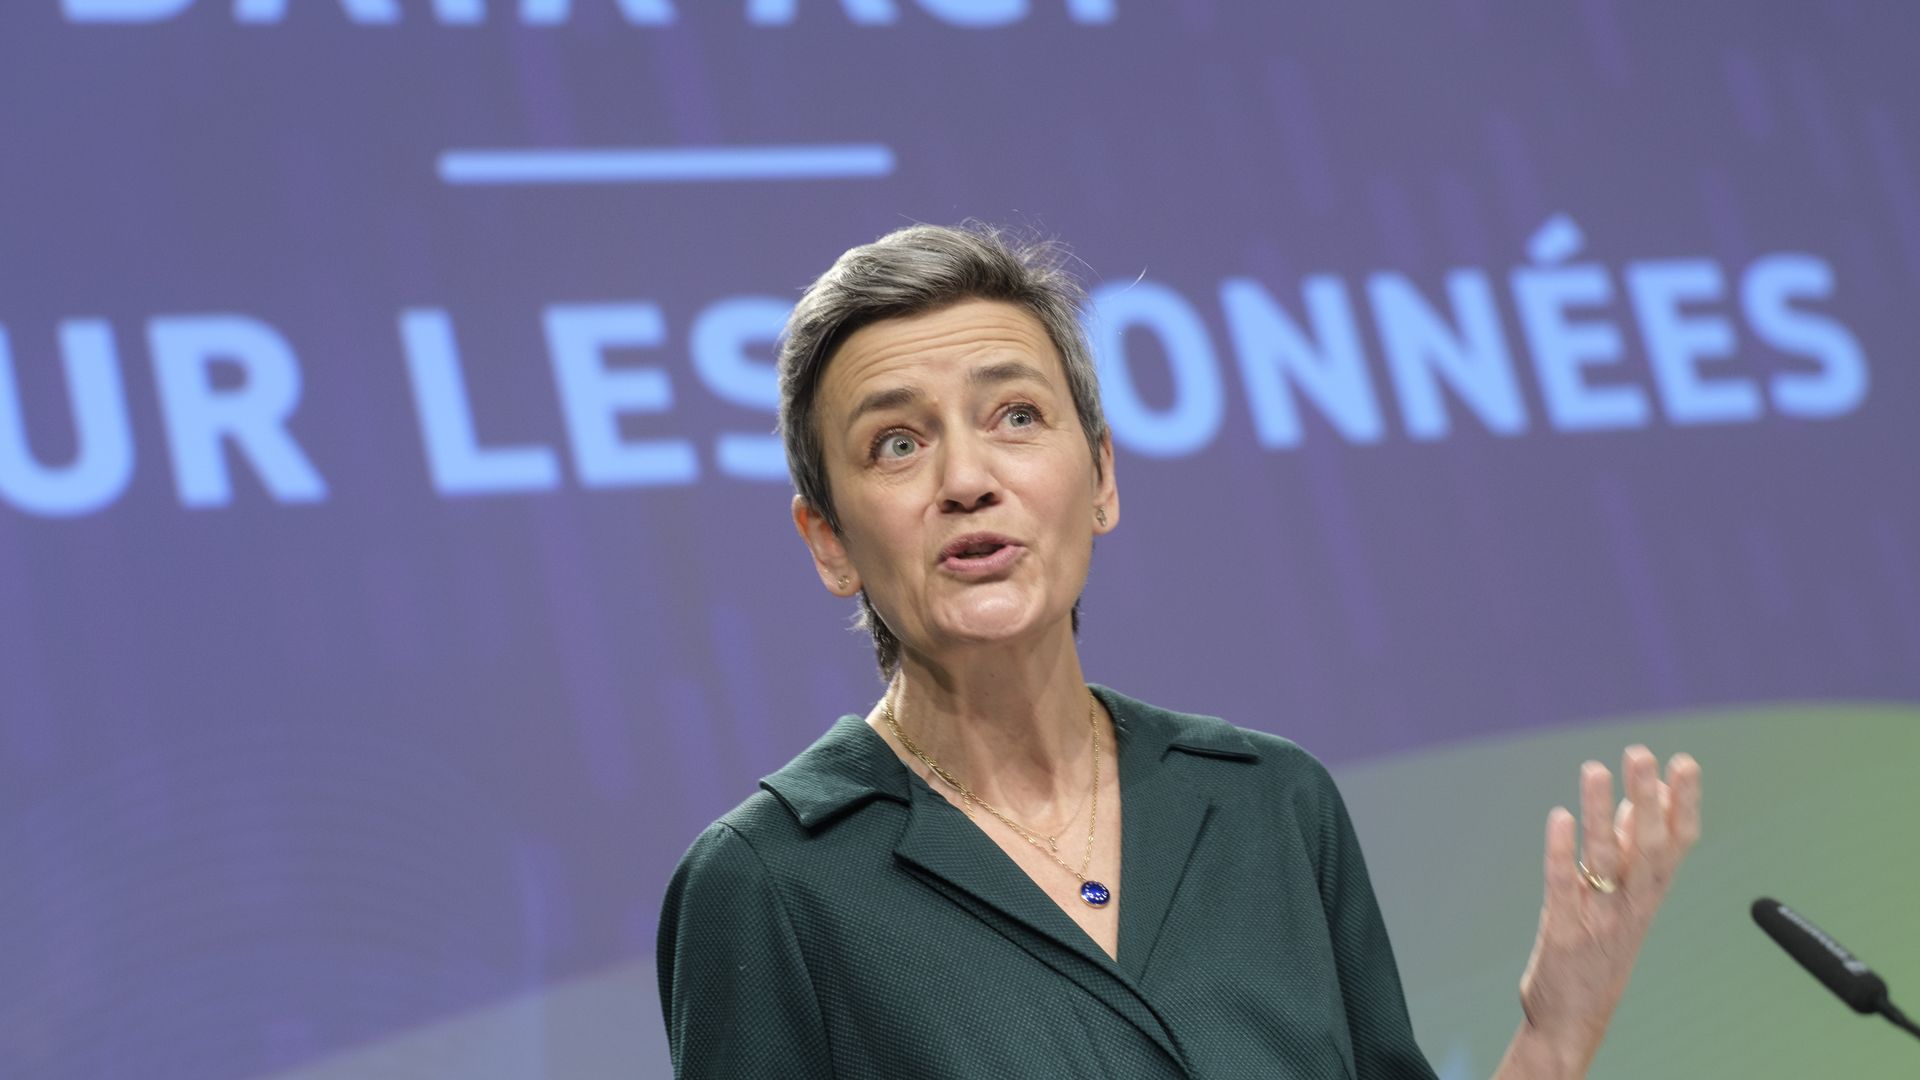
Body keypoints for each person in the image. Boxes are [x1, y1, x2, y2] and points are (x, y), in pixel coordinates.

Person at [656, 223, 1702, 1079]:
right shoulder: (771, 885)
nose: (967, 479)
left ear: (1102, 478)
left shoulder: (1269, 805)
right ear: (830, 542)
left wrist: (1555, 1039)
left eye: (1015, 415)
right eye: (898, 443)